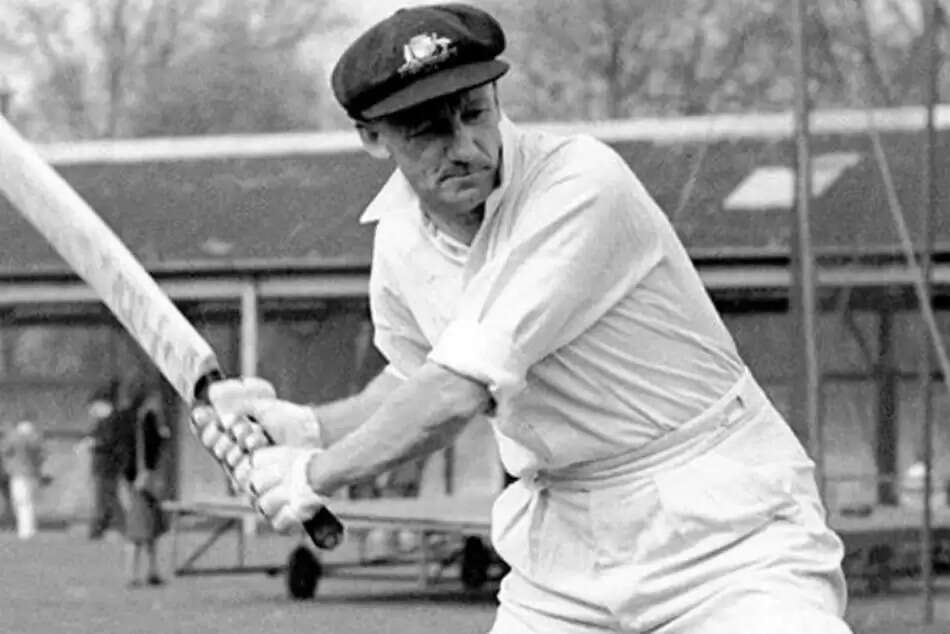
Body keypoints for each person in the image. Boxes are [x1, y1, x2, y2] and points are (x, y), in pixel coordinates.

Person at [192, 4, 853, 632]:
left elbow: (456, 390)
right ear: (372, 136)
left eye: (474, 113)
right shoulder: (399, 240)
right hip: (562, 554)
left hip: (725, 533)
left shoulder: (579, 184)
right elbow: (414, 381)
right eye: (427, 129)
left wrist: (314, 475)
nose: (465, 146)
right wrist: (305, 427)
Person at [115, 376, 169, 587]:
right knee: (138, 529)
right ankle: (131, 574)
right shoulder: (143, 419)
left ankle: (152, 571)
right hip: (142, 479)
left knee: (151, 528)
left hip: (139, 478)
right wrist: (141, 473)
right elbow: (142, 449)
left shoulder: (137, 418)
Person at [84, 379, 126, 540]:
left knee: (106, 497)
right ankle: (100, 528)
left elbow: (108, 441)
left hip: (106, 466)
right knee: (106, 497)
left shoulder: (112, 420)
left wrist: (93, 443)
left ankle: (120, 527)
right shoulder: (104, 421)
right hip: (104, 465)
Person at [1, 418, 46, 540]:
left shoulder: (14, 438)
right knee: (29, 502)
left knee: (21, 501)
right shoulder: (35, 438)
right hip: (32, 473)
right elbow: (42, 455)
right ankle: (29, 528)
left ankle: (25, 530)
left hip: (18, 473)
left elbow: (5, 451)